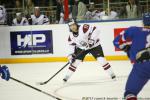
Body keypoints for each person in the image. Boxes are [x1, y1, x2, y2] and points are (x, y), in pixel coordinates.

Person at [113, 13, 150, 100]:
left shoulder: (134, 30)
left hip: (142, 67)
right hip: (142, 65)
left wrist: (126, 48)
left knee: (130, 93)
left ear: (142, 22)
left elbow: (117, 41)